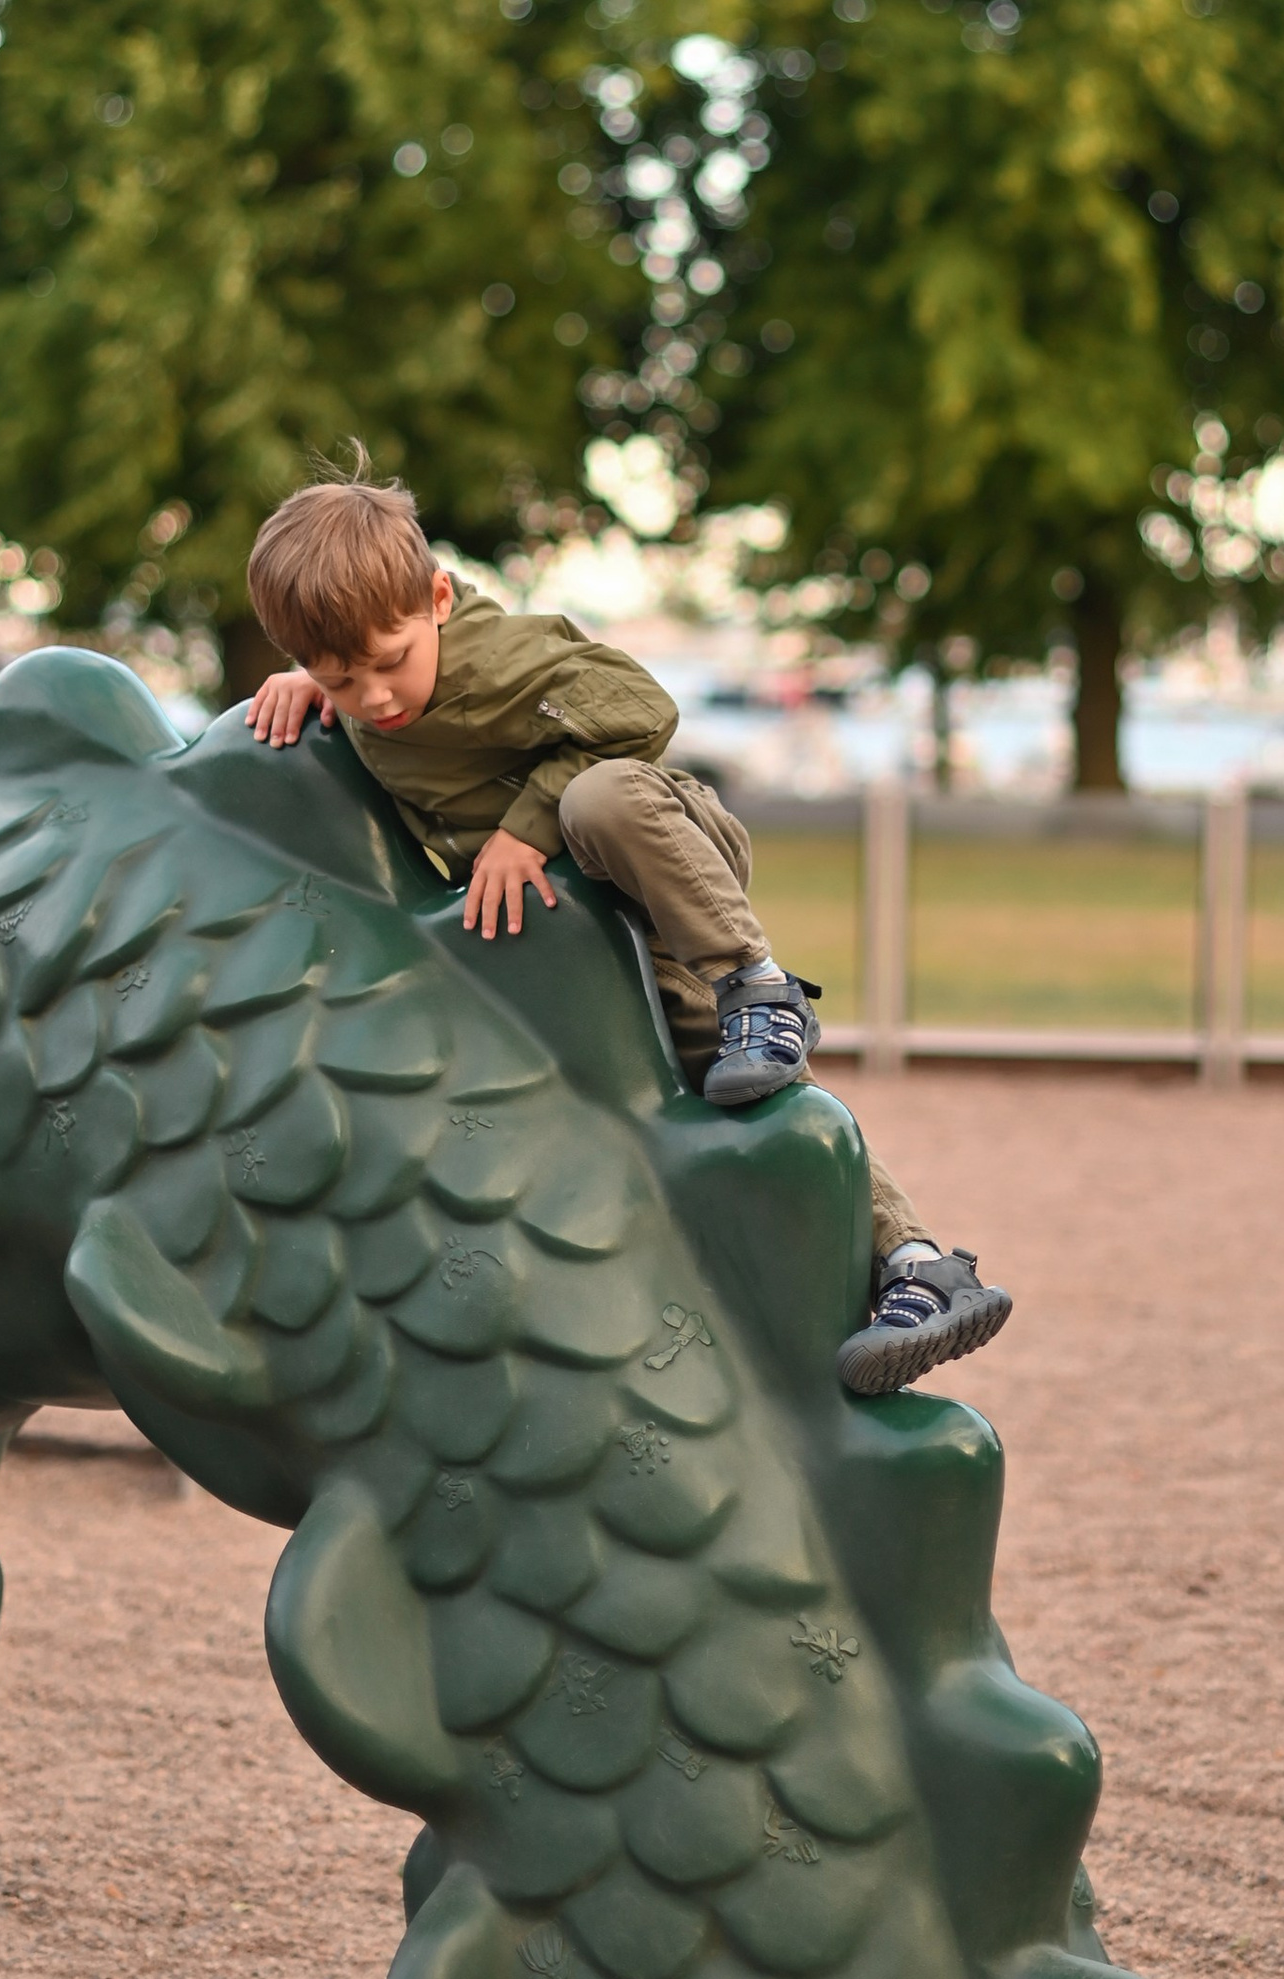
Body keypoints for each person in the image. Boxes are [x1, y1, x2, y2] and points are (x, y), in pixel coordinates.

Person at [244, 468, 1012, 1400]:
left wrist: (522, 829)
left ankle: (758, 986)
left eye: (388, 659)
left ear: (438, 599)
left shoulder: (497, 660)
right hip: (596, 933)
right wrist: (302, 685)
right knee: (744, 1096)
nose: (373, 696)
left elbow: (643, 710)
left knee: (598, 797)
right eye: (340, 676)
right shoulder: (359, 685)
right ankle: (917, 1269)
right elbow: (350, 684)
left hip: (659, 857)